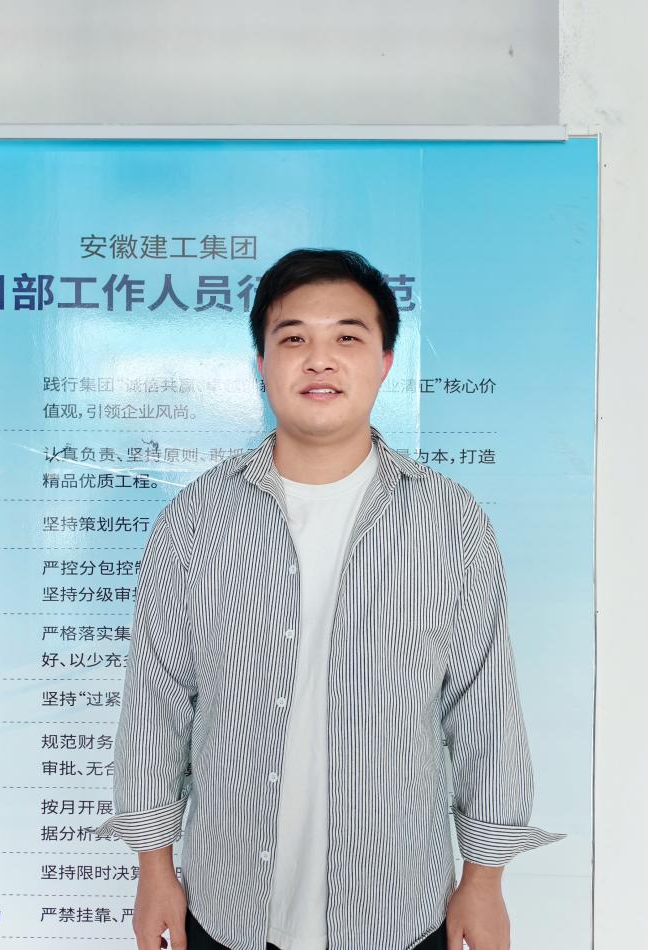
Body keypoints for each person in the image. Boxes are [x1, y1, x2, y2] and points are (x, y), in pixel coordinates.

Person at [94, 248, 565, 950]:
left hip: (398, 909)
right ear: (261, 363)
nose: (319, 360)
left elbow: (484, 707)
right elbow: (156, 703)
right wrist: (153, 869)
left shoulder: (448, 521)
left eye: (347, 337)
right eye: (293, 339)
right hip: (227, 908)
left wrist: (485, 880)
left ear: (384, 361)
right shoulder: (196, 519)